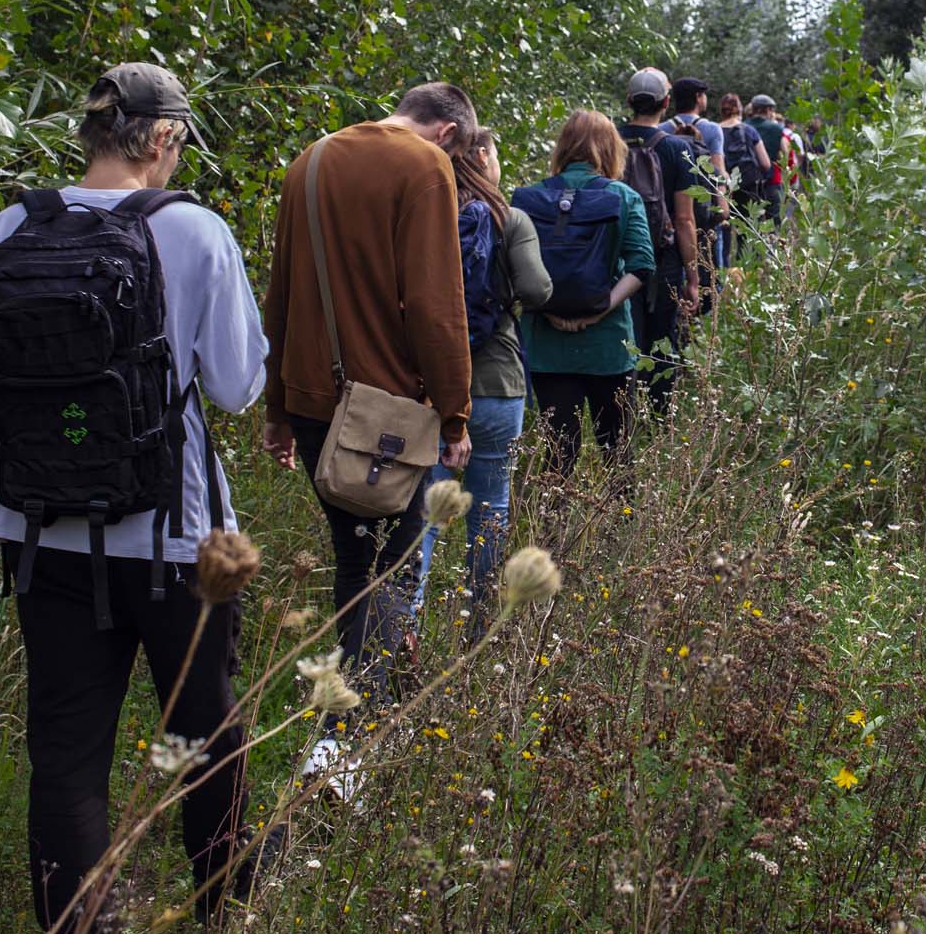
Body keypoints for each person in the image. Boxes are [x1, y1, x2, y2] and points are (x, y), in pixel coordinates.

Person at [0, 63, 268, 934]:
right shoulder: (195, 229)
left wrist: (17, 497)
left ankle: (75, 930)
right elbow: (237, 385)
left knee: (65, 750)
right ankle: (223, 913)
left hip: (40, 532)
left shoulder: (11, 226)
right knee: (205, 735)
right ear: (162, 137)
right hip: (174, 540)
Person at [259, 83, 476, 791]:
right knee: (391, 572)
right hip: (385, 414)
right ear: (447, 133)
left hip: (312, 400)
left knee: (357, 565)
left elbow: (281, 292)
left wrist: (277, 407)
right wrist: (455, 414)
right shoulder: (424, 165)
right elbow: (437, 305)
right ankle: (341, 752)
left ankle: (358, 730)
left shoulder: (312, 159)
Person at [415, 129, 551, 639]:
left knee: (423, 511)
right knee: (490, 509)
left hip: (428, 385)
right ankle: (478, 628)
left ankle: (405, 627)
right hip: (495, 383)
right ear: (481, 156)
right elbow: (537, 288)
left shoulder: (426, 213)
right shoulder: (508, 218)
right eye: (496, 154)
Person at [517, 109, 653, 475]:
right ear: (611, 149)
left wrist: (549, 309)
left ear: (563, 147)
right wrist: (599, 310)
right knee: (618, 453)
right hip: (608, 346)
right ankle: (618, 513)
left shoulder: (529, 198)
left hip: (548, 347)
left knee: (558, 456)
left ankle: (551, 515)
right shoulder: (624, 196)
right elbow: (642, 264)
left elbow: (512, 269)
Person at [618, 68, 701, 416]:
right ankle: (658, 419)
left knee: (624, 341)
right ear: (666, 103)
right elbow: (684, 220)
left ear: (629, 101)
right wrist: (694, 277)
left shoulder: (609, 141)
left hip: (618, 261)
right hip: (663, 260)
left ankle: (620, 417)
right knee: (663, 343)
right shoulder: (678, 148)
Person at [666, 76, 728, 283]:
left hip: (672, 211)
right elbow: (718, 170)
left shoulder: (661, 129)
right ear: (698, 97)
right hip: (705, 212)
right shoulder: (712, 129)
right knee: (711, 269)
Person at [715, 92, 772, 264]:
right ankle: (748, 268)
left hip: (722, 188)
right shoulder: (749, 130)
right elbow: (765, 163)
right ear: (739, 109)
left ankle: (723, 268)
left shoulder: (714, 130)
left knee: (723, 229)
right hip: (748, 186)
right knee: (748, 231)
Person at [746, 94, 787, 225]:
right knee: (774, 220)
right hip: (772, 180)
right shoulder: (776, 128)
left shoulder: (743, 126)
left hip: (748, 180)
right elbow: (784, 154)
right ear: (768, 109)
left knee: (751, 222)